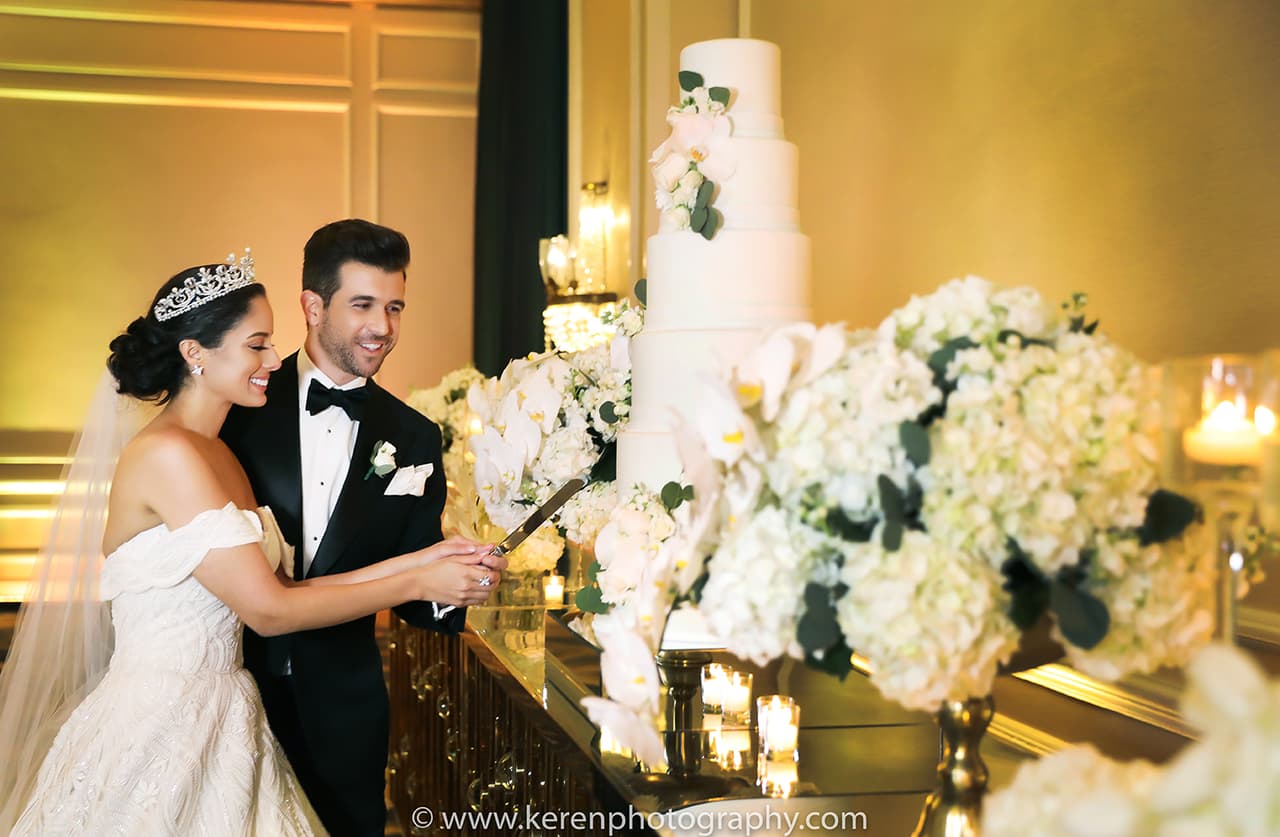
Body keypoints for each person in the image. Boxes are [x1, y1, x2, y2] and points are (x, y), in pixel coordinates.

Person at [0, 252, 502, 834]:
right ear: (195, 353)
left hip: (230, 716)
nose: (272, 360)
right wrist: (415, 579)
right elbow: (268, 611)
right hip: (161, 725)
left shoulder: (215, 451)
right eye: (256, 344)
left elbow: (283, 586)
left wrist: (427, 558)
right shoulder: (169, 456)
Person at [218, 220, 476, 836]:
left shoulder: (414, 436)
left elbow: (420, 575)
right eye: (362, 305)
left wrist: (460, 584)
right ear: (312, 306)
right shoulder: (238, 404)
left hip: (345, 714)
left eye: (393, 307)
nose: (382, 327)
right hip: (230, 697)